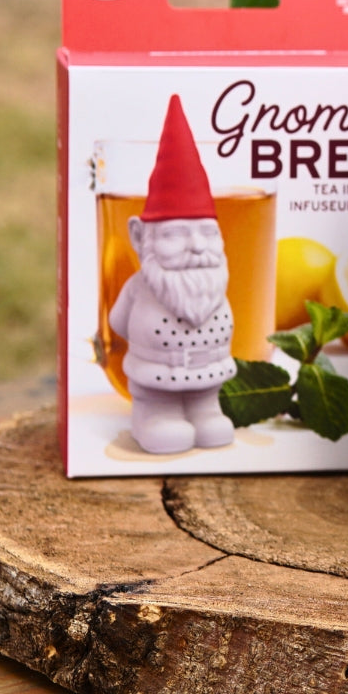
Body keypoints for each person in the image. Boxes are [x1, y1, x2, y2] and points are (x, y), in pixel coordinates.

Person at [109, 95, 237, 454]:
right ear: (140, 236)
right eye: (175, 234)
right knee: (164, 423)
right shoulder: (140, 288)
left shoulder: (213, 287)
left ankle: (203, 411)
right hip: (154, 381)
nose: (197, 247)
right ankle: (154, 417)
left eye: (207, 233)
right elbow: (118, 323)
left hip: (209, 379)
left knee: (211, 425)